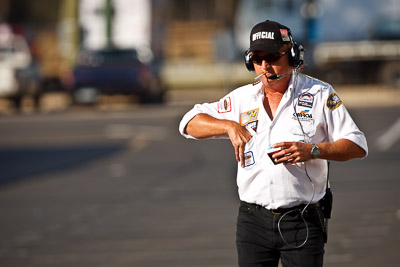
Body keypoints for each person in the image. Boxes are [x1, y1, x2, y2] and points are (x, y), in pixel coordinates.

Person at [178, 20, 368, 267]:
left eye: (272, 56)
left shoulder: (320, 93)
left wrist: (313, 151)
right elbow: (188, 122)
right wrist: (228, 126)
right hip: (252, 222)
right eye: (257, 58)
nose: (265, 65)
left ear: (292, 56)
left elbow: (357, 145)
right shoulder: (241, 99)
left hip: (302, 220)